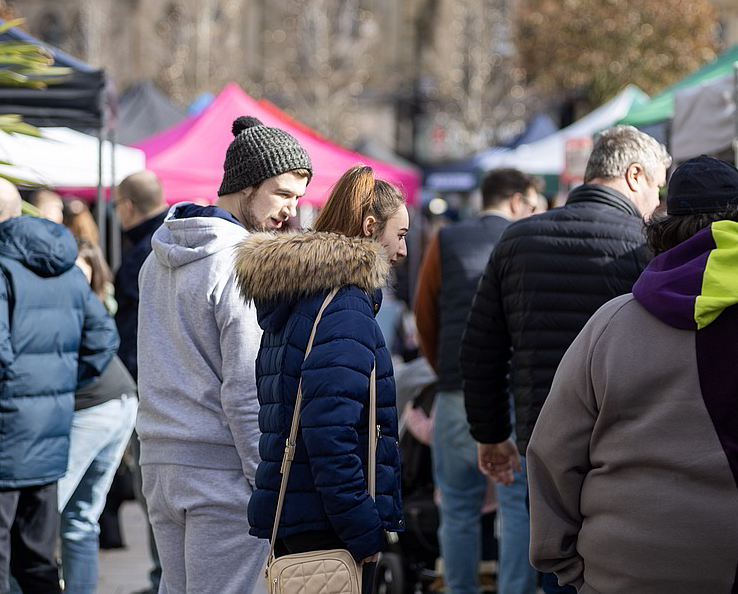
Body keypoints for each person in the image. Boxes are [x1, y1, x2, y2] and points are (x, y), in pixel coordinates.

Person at [527, 155, 738, 592]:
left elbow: (552, 454)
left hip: (623, 572)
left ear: (663, 230)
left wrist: (571, 572)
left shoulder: (610, 323)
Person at [460, 126, 670, 593]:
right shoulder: (648, 247)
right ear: (634, 175)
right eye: (657, 185)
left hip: (544, 440)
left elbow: (481, 350)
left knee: (556, 569)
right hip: (627, 442)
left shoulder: (517, 239)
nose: (658, 199)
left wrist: (490, 435)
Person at [136, 115, 311, 594]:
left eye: (297, 198)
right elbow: (248, 386)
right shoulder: (243, 261)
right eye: (281, 194)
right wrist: (267, 482)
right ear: (246, 184)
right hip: (220, 468)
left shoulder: (158, 254)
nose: (290, 211)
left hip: (159, 460)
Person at [0, 177, 118, 594]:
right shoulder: (63, 266)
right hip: (44, 439)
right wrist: (53, 390)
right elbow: (104, 338)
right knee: (37, 565)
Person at [240, 165, 408, 592]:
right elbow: (329, 434)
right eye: (400, 234)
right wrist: (365, 530)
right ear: (371, 228)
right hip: (327, 530)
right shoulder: (344, 306)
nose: (404, 250)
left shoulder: (305, 296)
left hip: (303, 522)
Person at [414, 168, 541, 594]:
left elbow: (424, 315)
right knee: (518, 506)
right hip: (513, 392)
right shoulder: (529, 240)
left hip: (456, 392)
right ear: (518, 201)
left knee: (458, 506)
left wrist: (446, 368)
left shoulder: (446, 240)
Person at [57, 238, 137, 594]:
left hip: (98, 407)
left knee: (42, 517)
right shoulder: (90, 299)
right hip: (117, 402)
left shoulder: (79, 303)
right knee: (79, 518)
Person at [107, 169, 167, 590]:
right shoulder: (172, 237)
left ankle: (161, 578)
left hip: (148, 389)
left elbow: (133, 332)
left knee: (157, 497)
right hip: (172, 386)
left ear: (127, 206)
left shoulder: (141, 255)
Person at [114, 170, 167, 377]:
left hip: (145, 373)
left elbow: (135, 325)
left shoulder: (141, 255)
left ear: (127, 206)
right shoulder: (179, 233)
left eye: (116, 205)